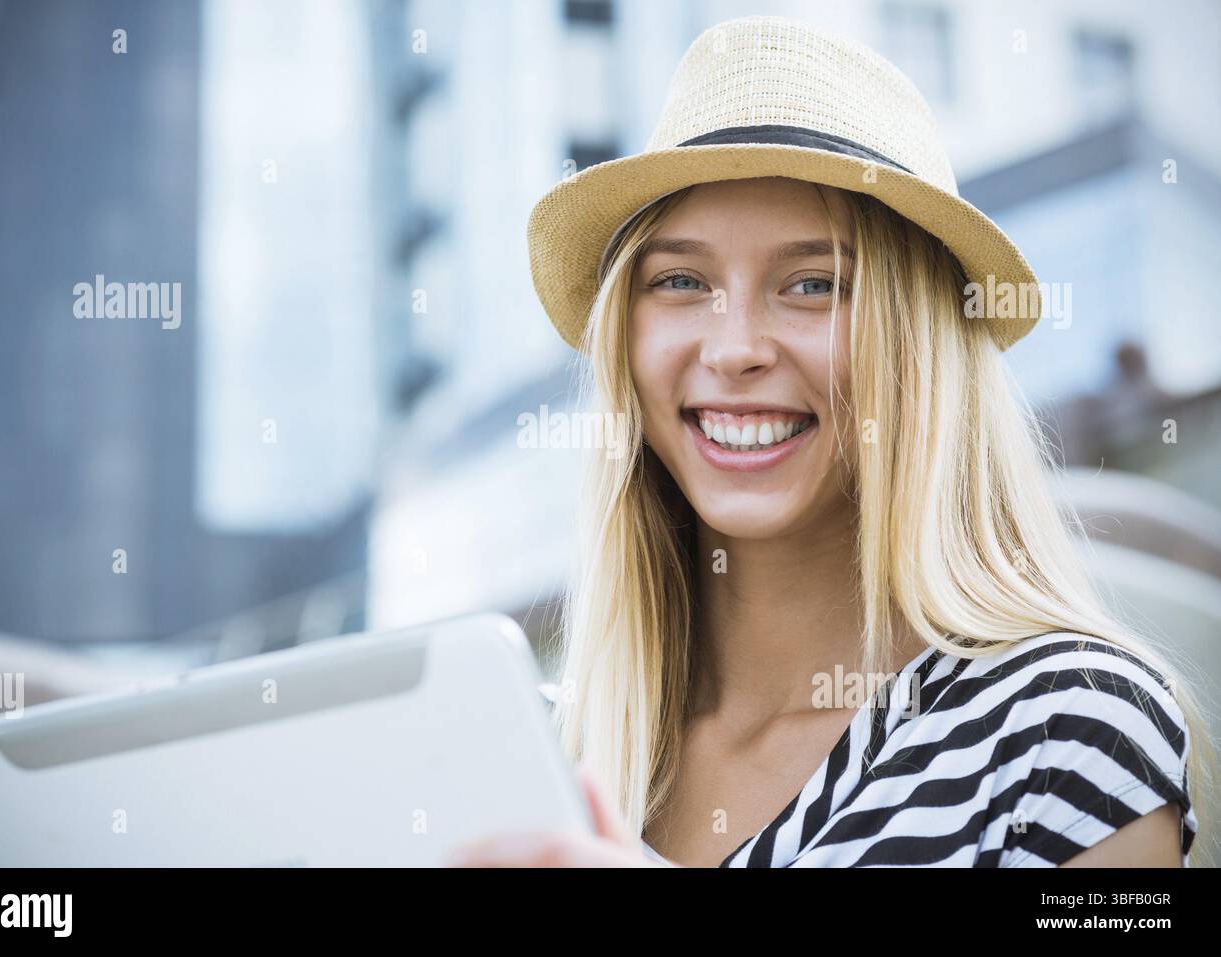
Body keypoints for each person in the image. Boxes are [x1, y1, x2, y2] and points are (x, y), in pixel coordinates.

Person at [446, 16, 1209, 868]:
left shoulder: (1070, 727)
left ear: (919, 345)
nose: (735, 348)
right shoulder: (547, 759)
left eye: (814, 283)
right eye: (681, 282)